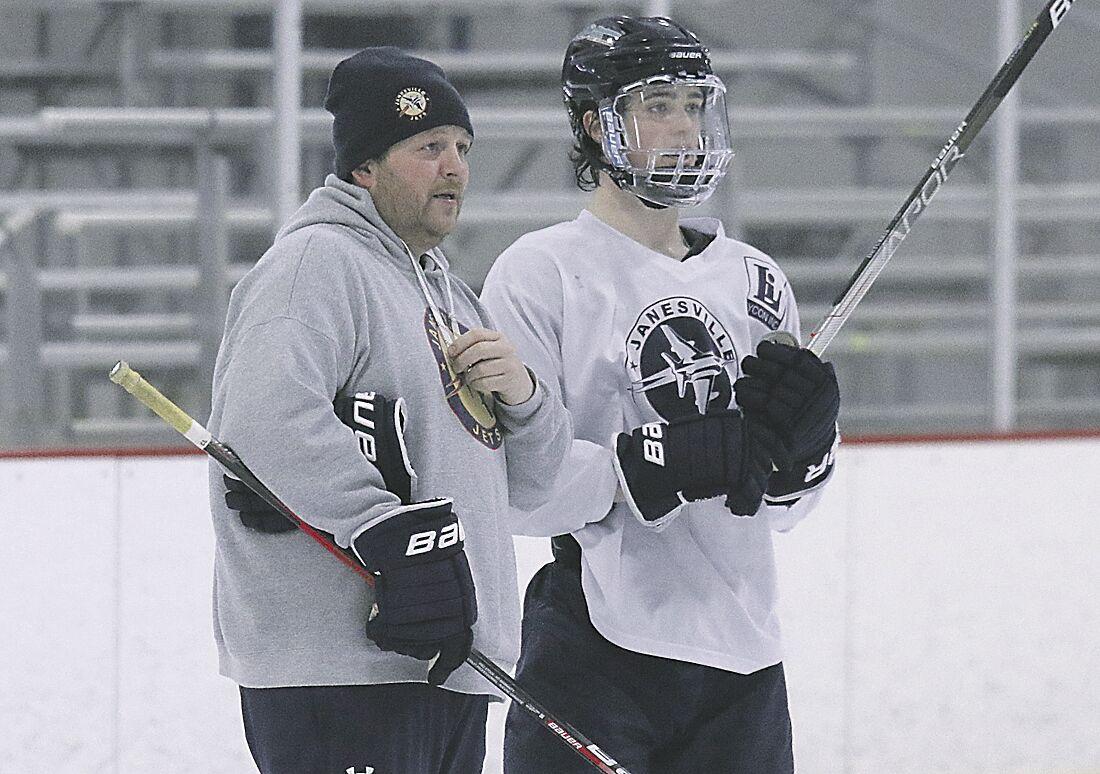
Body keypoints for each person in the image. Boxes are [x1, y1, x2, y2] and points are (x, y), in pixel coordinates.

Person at [478, 17, 841, 773]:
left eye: (692, 105)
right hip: (594, 650)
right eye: (656, 107)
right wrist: (663, 461)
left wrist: (805, 450)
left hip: (744, 658)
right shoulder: (540, 273)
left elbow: (786, 507)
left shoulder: (756, 279)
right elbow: (521, 493)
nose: (683, 128)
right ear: (595, 125)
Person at [206, 47, 571, 774]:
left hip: (447, 664)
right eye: (428, 146)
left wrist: (525, 398)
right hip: (341, 668)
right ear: (363, 167)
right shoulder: (315, 266)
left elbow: (533, 490)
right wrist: (386, 531)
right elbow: (264, 418)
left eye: (462, 147)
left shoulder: (451, 297)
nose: (455, 165)